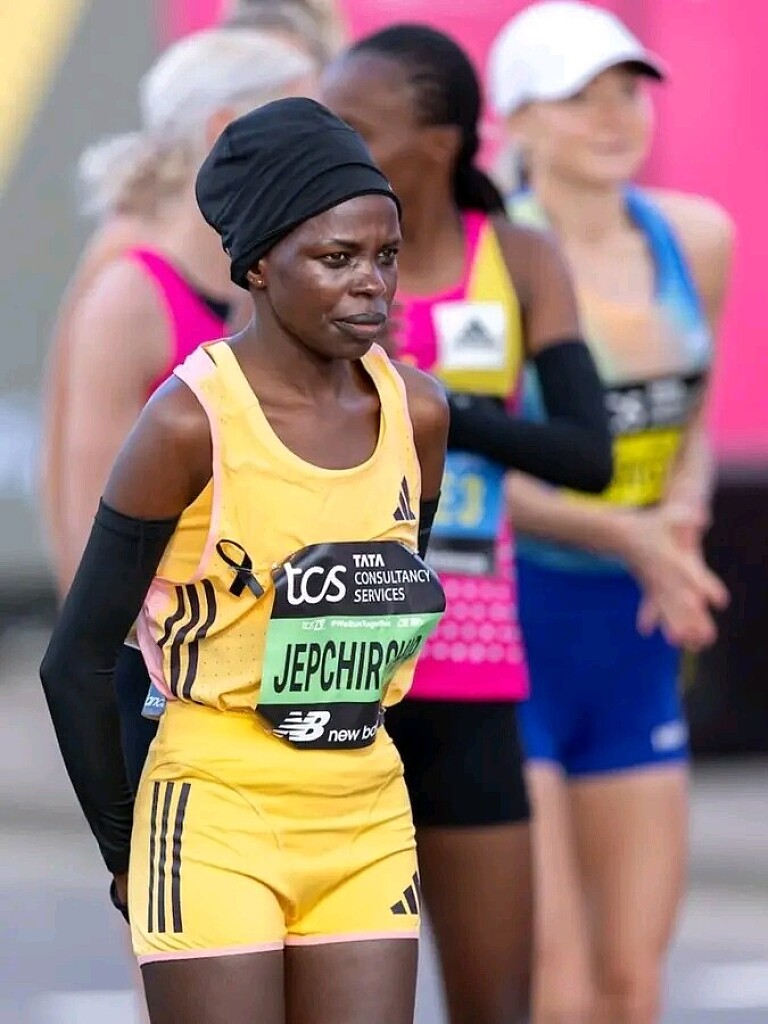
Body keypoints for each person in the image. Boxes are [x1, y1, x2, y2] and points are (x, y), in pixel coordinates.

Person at [40, 97, 449, 1024]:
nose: (372, 286)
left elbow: (388, 601)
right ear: (259, 264)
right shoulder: (189, 423)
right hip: (216, 805)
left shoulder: (418, 413)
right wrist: (126, 853)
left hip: (366, 809)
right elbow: (76, 660)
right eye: (337, 259)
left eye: (386, 256)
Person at [320, 25, 612, 1023]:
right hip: (337, 667)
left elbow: (589, 453)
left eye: (356, 127)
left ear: (439, 144)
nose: (334, 147)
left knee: (498, 1004)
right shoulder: (315, 261)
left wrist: (438, 402)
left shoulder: (518, 258)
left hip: (472, 669)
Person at [487, 3, 734, 1021]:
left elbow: (692, 422)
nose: (614, 118)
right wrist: (627, 536)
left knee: (632, 979)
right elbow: (467, 470)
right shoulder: (489, 257)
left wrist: (680, 522)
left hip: (631, 635)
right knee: (555, 975)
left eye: (627, 92)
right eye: (579, 99)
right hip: (512, 627)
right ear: (517, 121)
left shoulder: (697, 238)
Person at [39, 27, 316, 793]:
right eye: (307, 120)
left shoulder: (272, 282)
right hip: (169, 678)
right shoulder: (132, 292)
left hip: (270, 667)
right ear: (226, 128)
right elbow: (86, 519)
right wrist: (111, 690)